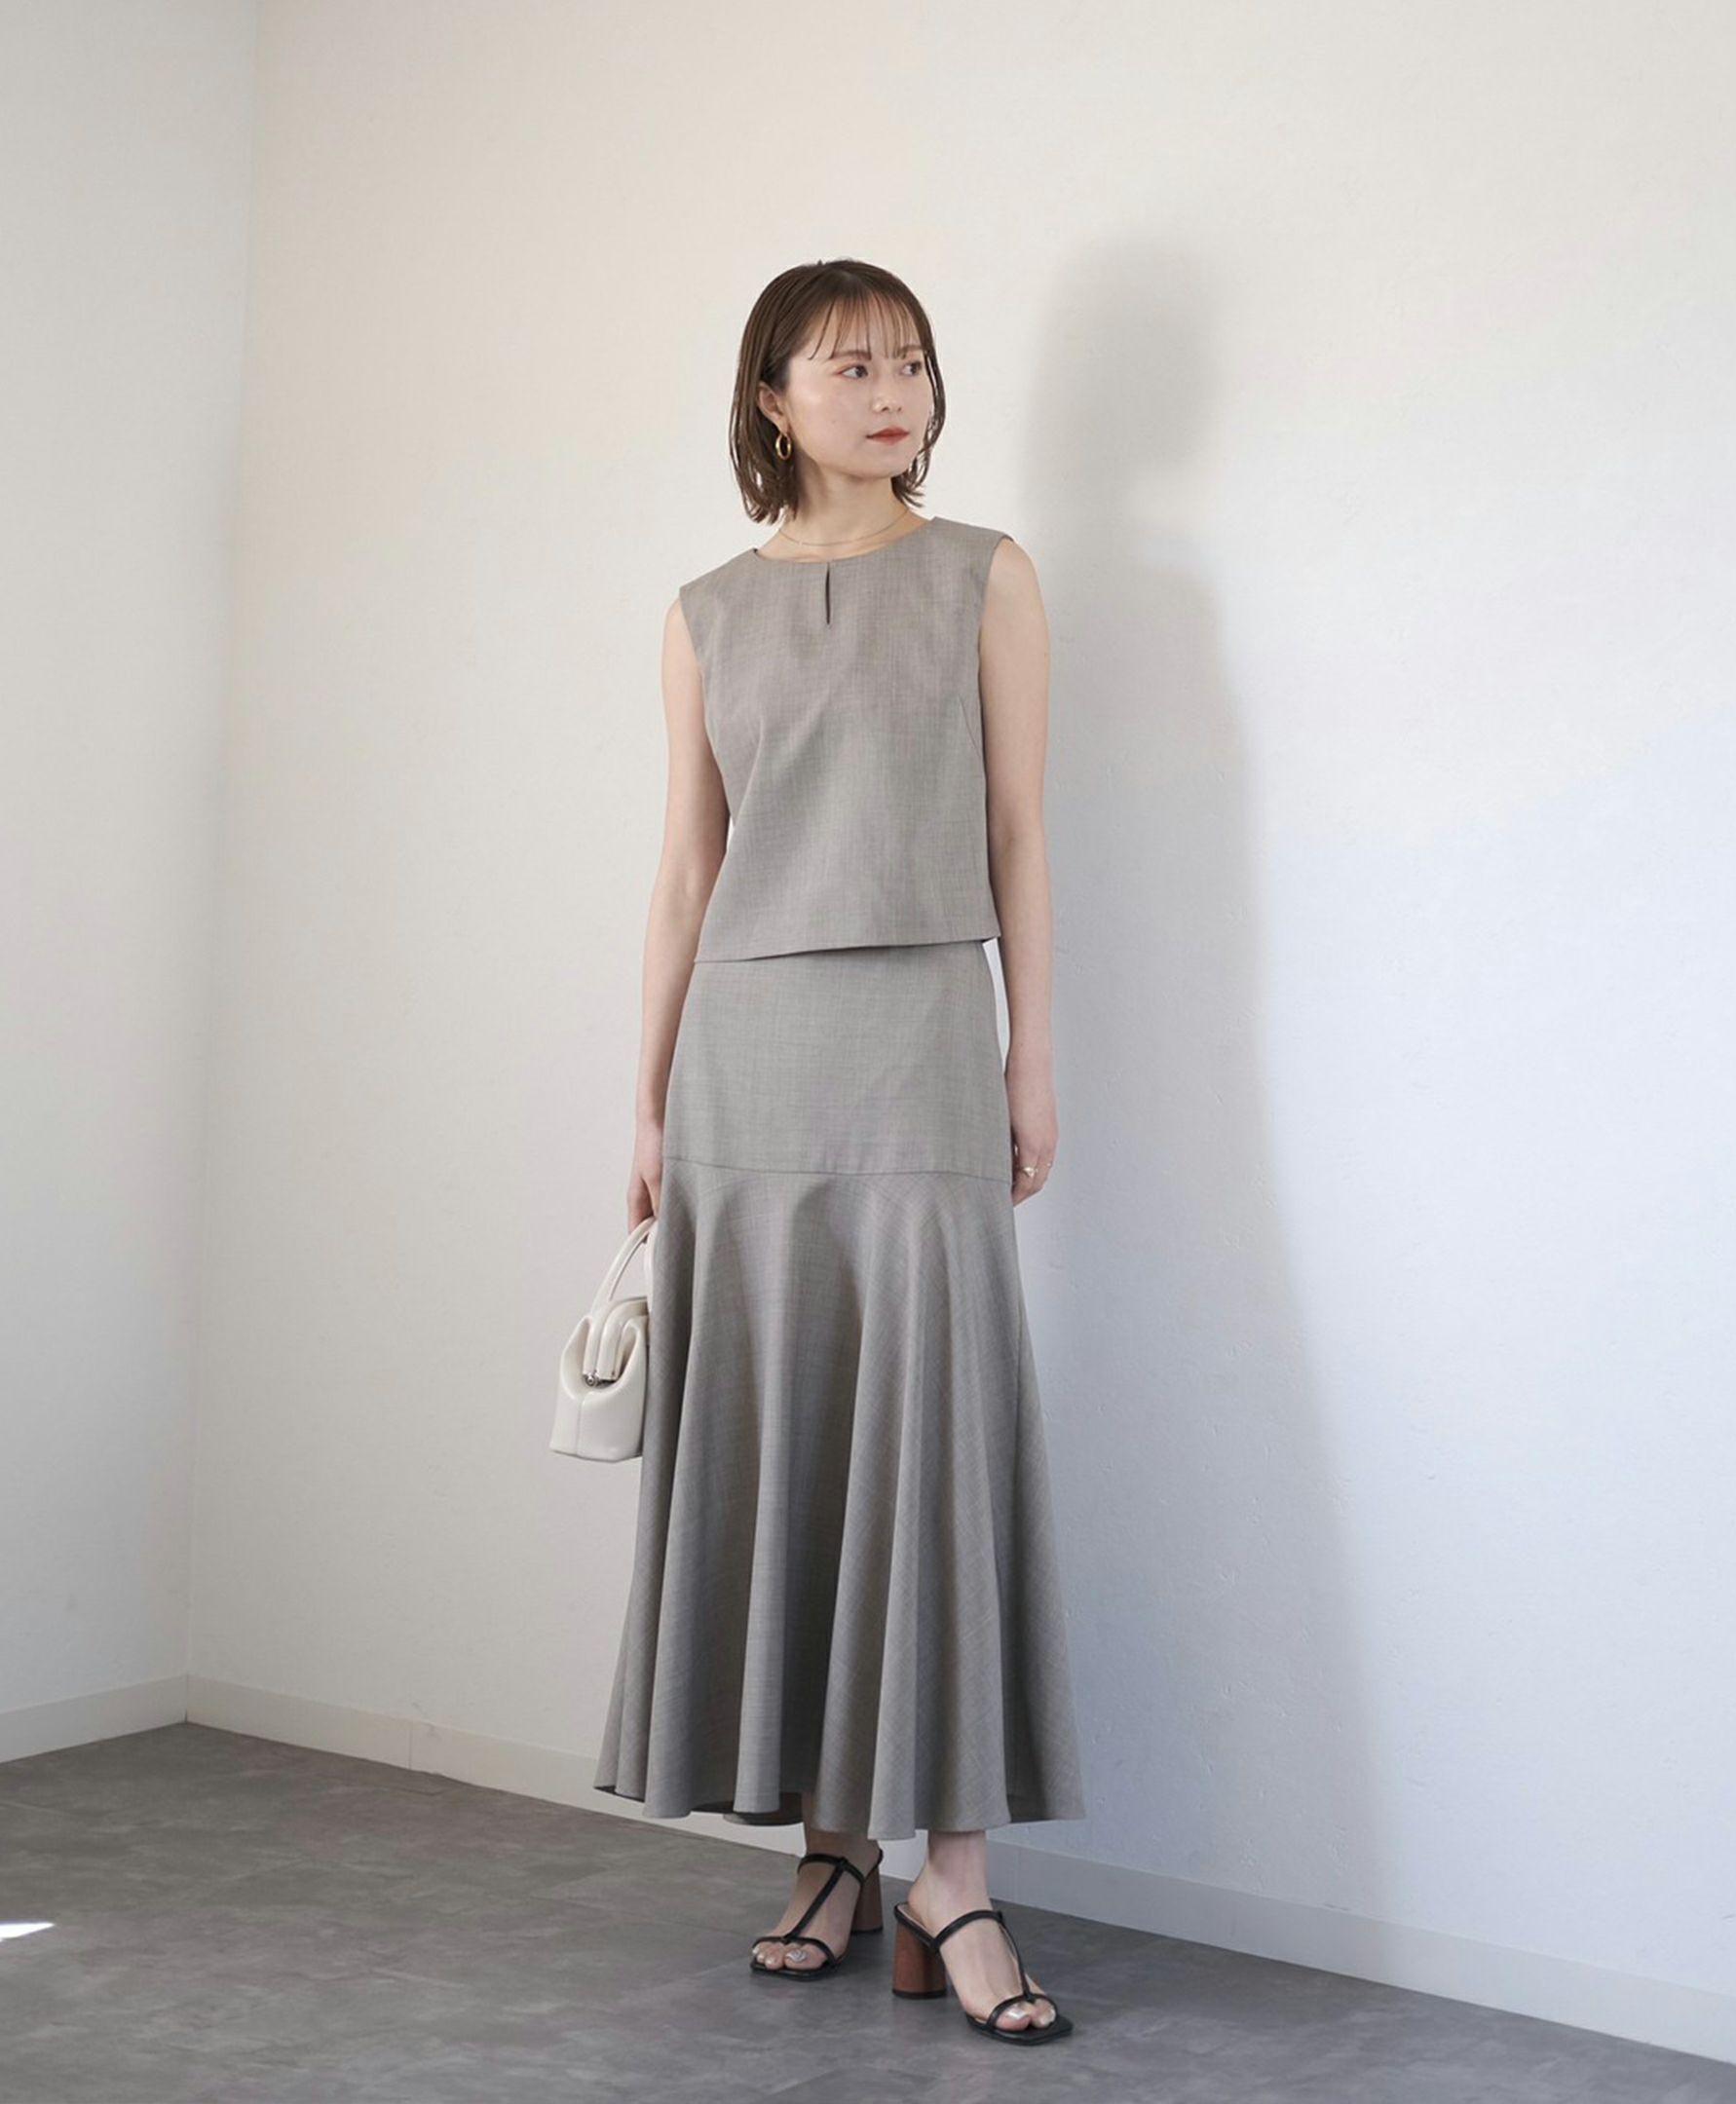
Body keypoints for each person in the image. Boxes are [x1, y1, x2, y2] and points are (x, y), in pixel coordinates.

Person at [592, 258, 1085, 2046]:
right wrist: (648, 1097)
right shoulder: (705, 611)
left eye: (913, 364)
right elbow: (686, 867)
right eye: (851, 365)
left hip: (923, 1035)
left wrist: (1032, 1052)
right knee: (792, 1429)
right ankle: (830, 1848)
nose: (893, 394)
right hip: (748, 1060)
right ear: (772, 398)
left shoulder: (984, 575)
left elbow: (1020, 832)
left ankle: (954, 1870)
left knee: (929, 1435)